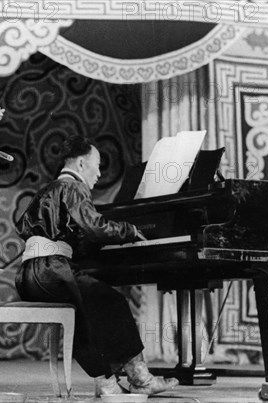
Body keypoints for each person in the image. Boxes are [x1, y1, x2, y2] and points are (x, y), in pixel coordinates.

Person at [15, 135, 179, 396]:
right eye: (97, 165)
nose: (99, 174)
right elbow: (94, 226)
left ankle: (114, 382)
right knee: (110, 301)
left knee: (97, 302)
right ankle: (136, 378)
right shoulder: (73, 187)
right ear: (81, 164)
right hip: (51, 271)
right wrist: (129, 230)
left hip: (29, 276)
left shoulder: (49, 189)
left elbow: (57, 234)